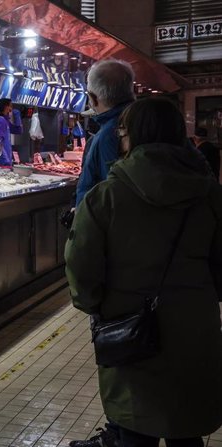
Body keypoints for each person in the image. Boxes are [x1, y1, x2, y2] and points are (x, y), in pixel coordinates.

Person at [65, 97, 222, 447]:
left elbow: (82, 268)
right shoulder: (211, 194)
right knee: (186, 426)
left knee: (135, 426)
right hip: (196, 327)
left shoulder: (104, 197)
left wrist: (97, 305)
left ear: (131, 136)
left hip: (131, 329)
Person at [74, 59, 135, 207]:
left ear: (93, 99)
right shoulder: (144, 123)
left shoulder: (109, 135)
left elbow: (111, 193)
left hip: (108, 225)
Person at [0, 98, 22, 166]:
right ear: (6, 107)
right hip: (1, 162)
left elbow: (19, 131)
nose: (12, 109)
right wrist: (5, 159)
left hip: (6, 161)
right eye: (11, 106)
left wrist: (17, 116)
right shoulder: (1, 121)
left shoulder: (6, 121)